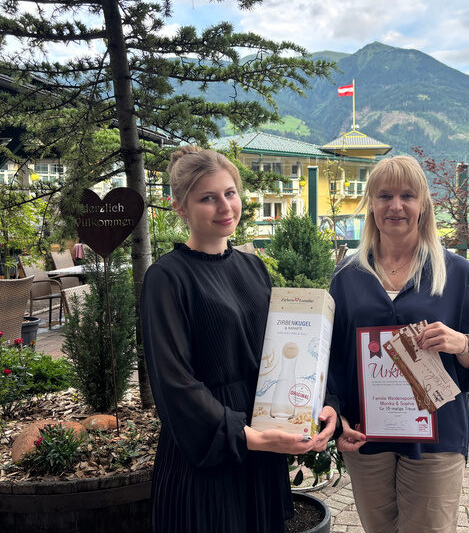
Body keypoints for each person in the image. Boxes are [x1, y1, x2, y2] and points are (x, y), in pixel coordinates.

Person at [140, 145, 337, 533]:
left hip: (261, 437)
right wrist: (250, 437)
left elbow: (280, 351)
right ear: (180, 207)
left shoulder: (252, 266)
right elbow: (174, 384)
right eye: (207, 198)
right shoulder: (167, 277)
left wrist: (319, 405)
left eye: (229, 193)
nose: (225, 206)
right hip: (208, 448)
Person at [327, 154, 469, 533]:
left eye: (407, 195)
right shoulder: (348, 276)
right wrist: (338, 416)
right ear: (371, 204)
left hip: (435, 435)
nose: (396, 206)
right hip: (367, 435)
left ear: (423, 205)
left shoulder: (455, 272)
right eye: (384, 195)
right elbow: (334, 360)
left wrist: (461, 343)